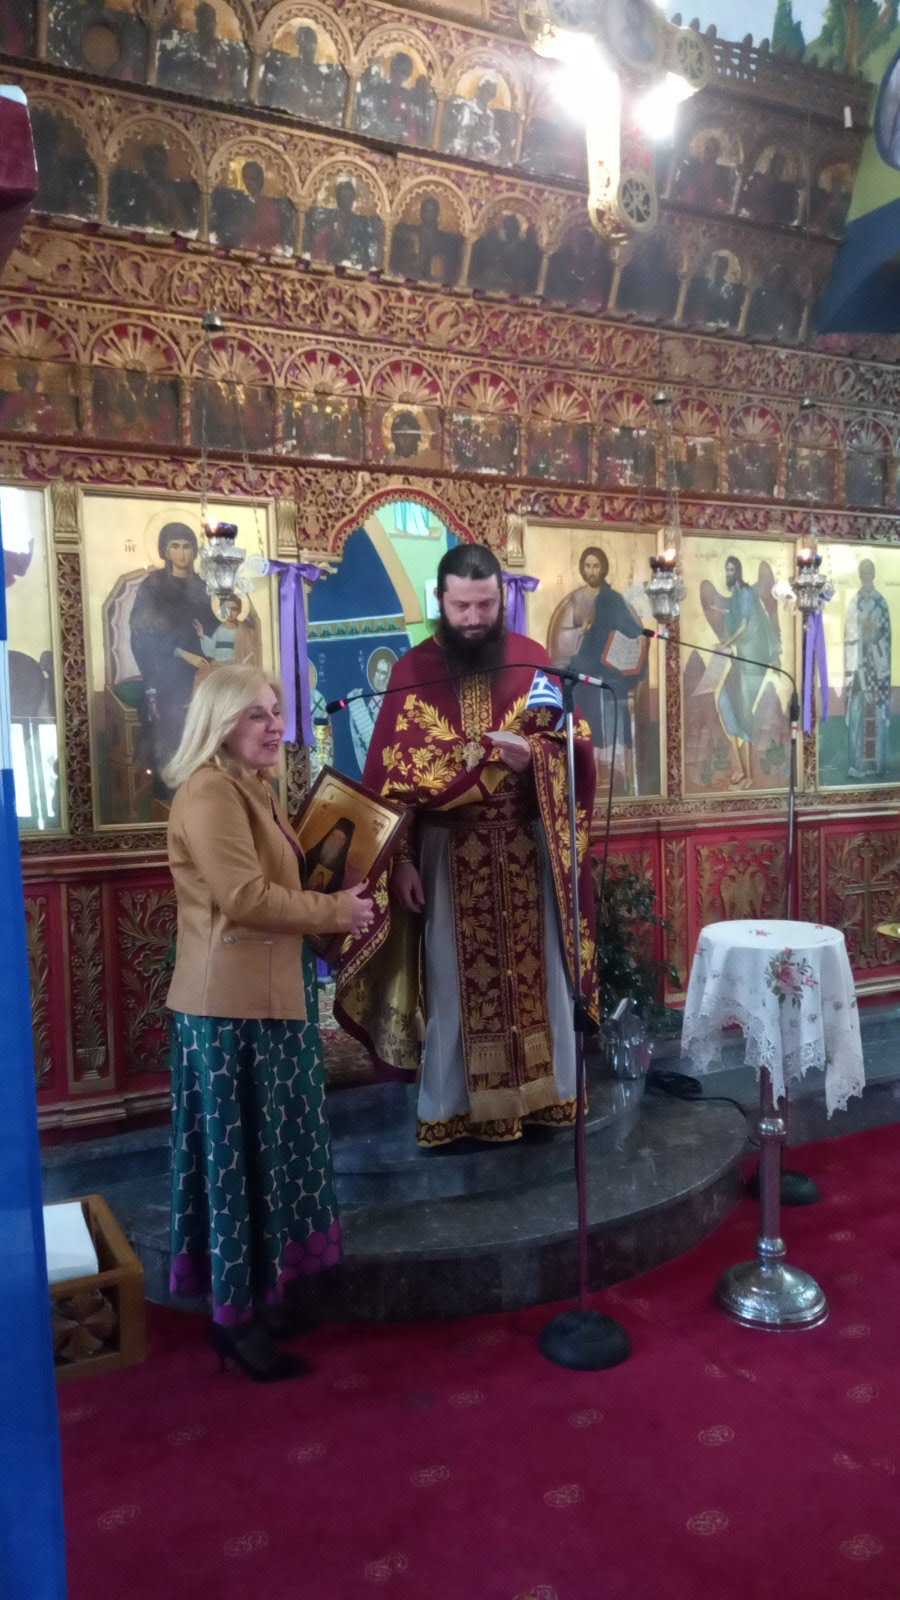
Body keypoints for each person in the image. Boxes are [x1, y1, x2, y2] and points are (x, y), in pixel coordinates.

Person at [335, 543, 597, 1147]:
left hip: (527, 852)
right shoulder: (412, 672)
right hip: (447, 854)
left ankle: (548, 1096)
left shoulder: (533, 661)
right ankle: (455, 1108)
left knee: (540, 982)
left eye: (485, 604)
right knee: (453, 986)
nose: (475, 618)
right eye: (462, 607)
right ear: (441, 601)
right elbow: (391, 779)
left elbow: (574, 744)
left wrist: (534, 756)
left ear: (501, 597)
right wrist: (401, 861)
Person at [164, 665, 374, 1380]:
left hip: (269, 997)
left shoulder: (254, 788)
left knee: (269, 1156)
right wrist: (336, 911)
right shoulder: (208, 792)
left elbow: (280, 883)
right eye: (257, 714)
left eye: (276, 711)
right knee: (236, 1166)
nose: (274, 725)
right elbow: (246, 897)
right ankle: (234, 1321)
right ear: (219, 722)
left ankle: (262, 1294)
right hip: (227, 1010)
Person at [128, 522, 217, 795]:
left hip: (204, 670)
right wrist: (181, 654)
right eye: (175, 546)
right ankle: (170, 794)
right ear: (165, 551)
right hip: (165, 672)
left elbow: (217, 629)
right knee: (172, 726)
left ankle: (204, 791)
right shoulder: (153, 586)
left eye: (187, 546)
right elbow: (142, 634)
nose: (181, 553)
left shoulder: (205, 588)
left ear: (195, 551)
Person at [550, 547, 649, 790]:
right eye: (588, 566)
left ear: (603, 568)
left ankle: (612, 771)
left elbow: (631, 631)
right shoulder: (577, 599)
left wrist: (628, 641)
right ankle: (582, 768)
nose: (592, 571)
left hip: (609, 668)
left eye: (596, 566)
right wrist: (582, 632)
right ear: (582, 568)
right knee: (572, 686)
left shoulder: (612, 599)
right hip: (586, 660)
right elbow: (566, 636)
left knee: (599, 689)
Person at [699, 555, 781, 790]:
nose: (728, 573)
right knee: (724, 702)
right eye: (726, 569)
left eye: (731, 569)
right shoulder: (736, 595)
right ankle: (739, 768)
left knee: (743, 714)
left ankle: (748, 776)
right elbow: (731, 610)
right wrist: (718, 608)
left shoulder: (744, 593)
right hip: (740, 660)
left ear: (738, 571)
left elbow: (744, 625)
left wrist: (725, 643)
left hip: (752, 661)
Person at [844, 559, 892, 780]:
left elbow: (886, 636)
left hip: (876, 667)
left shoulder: (881, 603)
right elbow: (849, 635)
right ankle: (858, 765)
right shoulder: (854, 602)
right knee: (857, 712)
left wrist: (874, 635)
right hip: (858, 668)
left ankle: (878, 764)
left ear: (873, 574)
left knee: (877, 713)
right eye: (863, 572)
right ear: (859, 575)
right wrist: (860, 633)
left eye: (869, 572)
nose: (866, 576)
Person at [349, 648, 396, 772]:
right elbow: (358, 747)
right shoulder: (358, 703)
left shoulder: (400, 703)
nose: (381, 678)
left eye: (386, 674)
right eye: (379, 672)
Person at [305, 818, 355, 891]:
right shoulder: (311, 854)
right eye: (333, 835)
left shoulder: (340, 872)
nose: (334, 841)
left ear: (344, 844)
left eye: (341, 838)